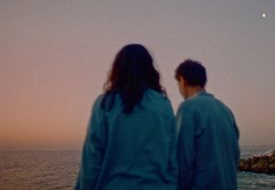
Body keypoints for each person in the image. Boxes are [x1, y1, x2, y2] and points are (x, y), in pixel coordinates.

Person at [75, 44, 177, 190]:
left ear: (118, 69)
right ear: (149, 70)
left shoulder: (105, 105)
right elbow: (172, 161)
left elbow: (92, 160)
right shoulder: (164, 106)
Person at [175, 59, 240, 190]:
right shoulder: (225, 110)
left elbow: (183, 161)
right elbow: (235, 154)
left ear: (182, 80)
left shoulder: (188, 108)